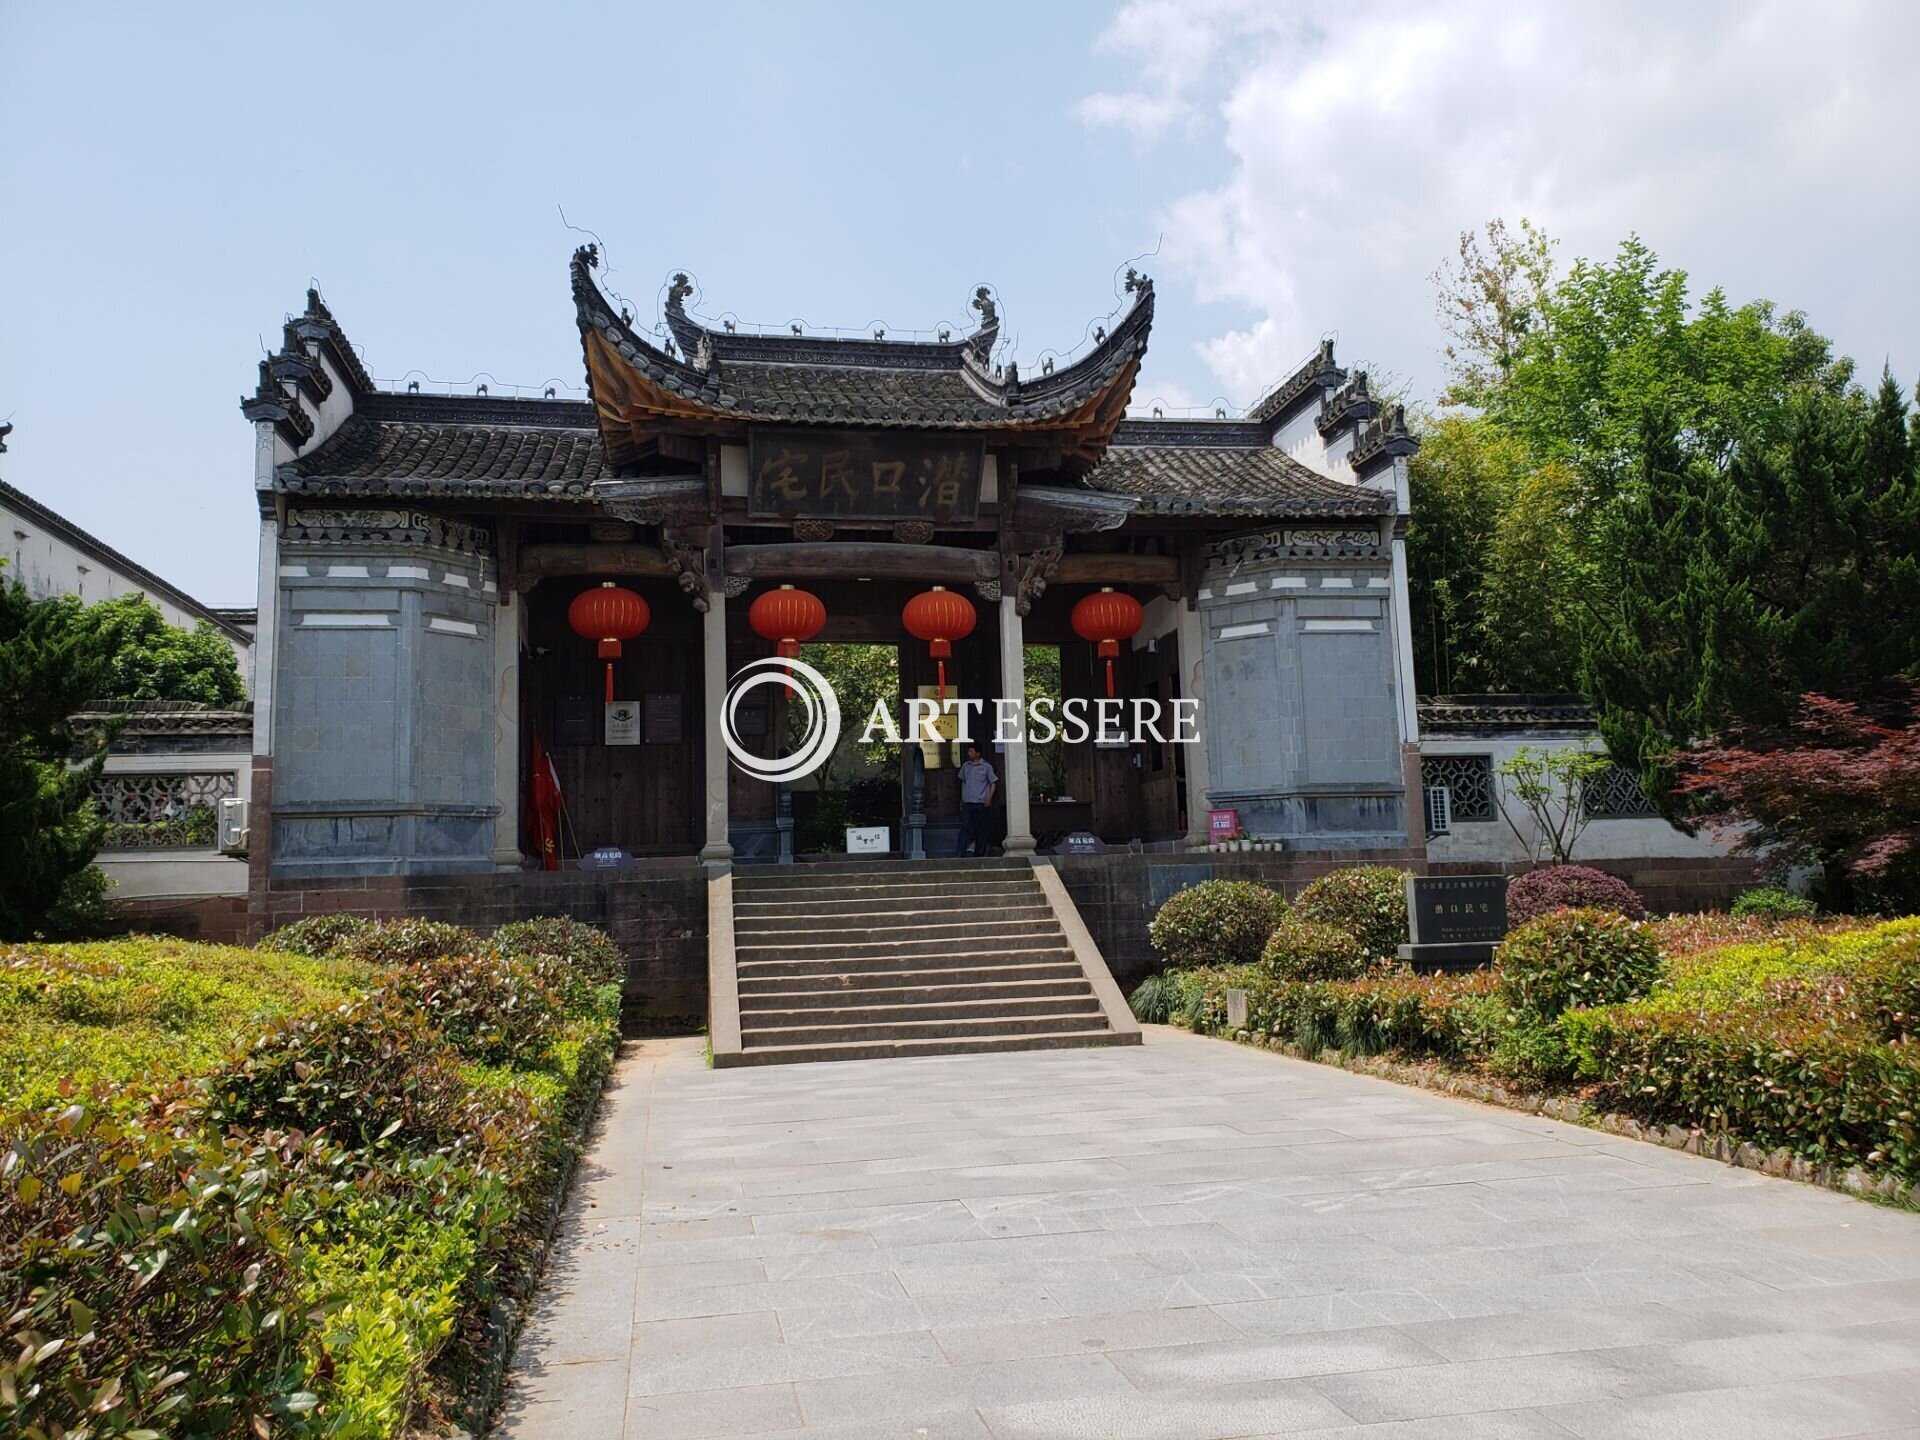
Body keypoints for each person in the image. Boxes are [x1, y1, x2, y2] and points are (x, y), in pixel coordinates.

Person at [955, 742, 998, 857]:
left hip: (980, 803)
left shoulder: (986, 767)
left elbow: (993, 782)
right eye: (968, 751)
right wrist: (962, 798)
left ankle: (979, 854)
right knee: (965, 827)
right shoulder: (966, 766)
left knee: (980, 830)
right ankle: (960, 852)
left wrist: (989, 798)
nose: (969, 753)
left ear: (978, 753)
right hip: (967, 802)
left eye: (971, 751)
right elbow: (963, 782)